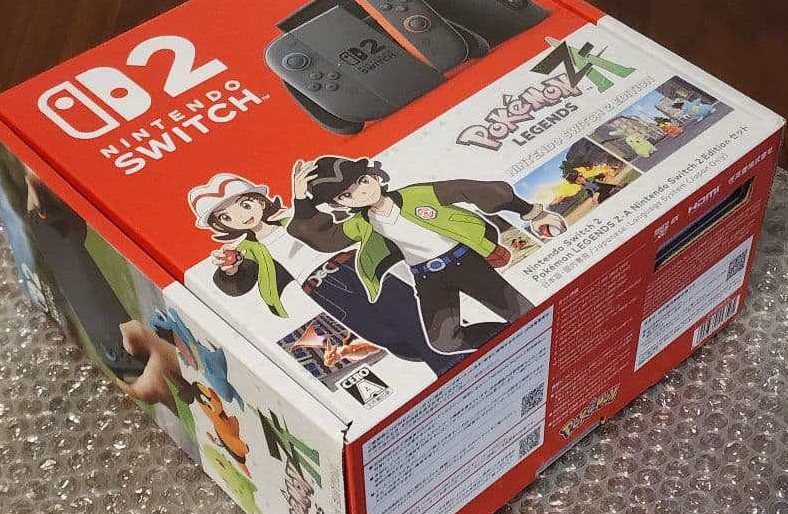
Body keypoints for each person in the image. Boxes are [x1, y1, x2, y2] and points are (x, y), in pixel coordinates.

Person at [288, 156, 566, 355]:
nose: (360, 192)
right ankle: (517, 343)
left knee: (527, 314)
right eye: (346, 195)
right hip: (427, 278)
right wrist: (300, 200)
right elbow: (326, 239)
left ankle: (537, 338)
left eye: (361, 181)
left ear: (372, 175)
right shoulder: (362, 223)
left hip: (464, 262)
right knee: (445, 342)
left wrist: (532, 212)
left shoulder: (417, 195)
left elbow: (472, 189)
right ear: (338, 204)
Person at [188, 173, 454, 376]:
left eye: (245, 205)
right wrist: (230, 269)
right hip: (321, 288)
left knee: (409, 312)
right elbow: (237, 284)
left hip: (350, 266)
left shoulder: (293, 217)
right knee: (381, 333)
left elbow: (326, 226)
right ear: (220, 226)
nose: (240, 217)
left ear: (259, 201)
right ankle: (430, 355)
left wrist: (301, 198)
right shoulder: (247, 250)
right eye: (226, 217)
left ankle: (448, 360)